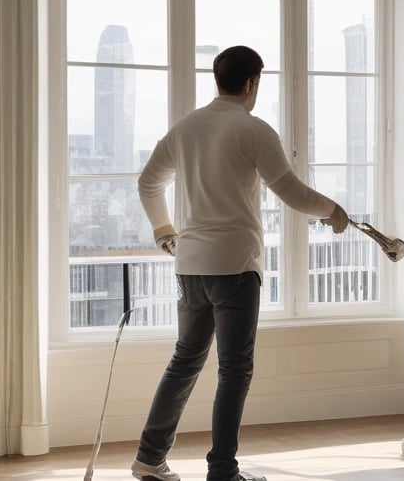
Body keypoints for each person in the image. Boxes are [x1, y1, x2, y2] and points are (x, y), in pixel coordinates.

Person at [131, 45, 349, 481]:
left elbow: (148, 182)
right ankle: (223, 471)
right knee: (234, 369)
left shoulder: (185, 128)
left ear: (218, 79)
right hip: (235, 267)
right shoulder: (252, 129)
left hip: (191, 266)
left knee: (185, 360)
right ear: (252, 83)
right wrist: (333, 210)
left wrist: (163, 231)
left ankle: (149, 458)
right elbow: (290, 190)